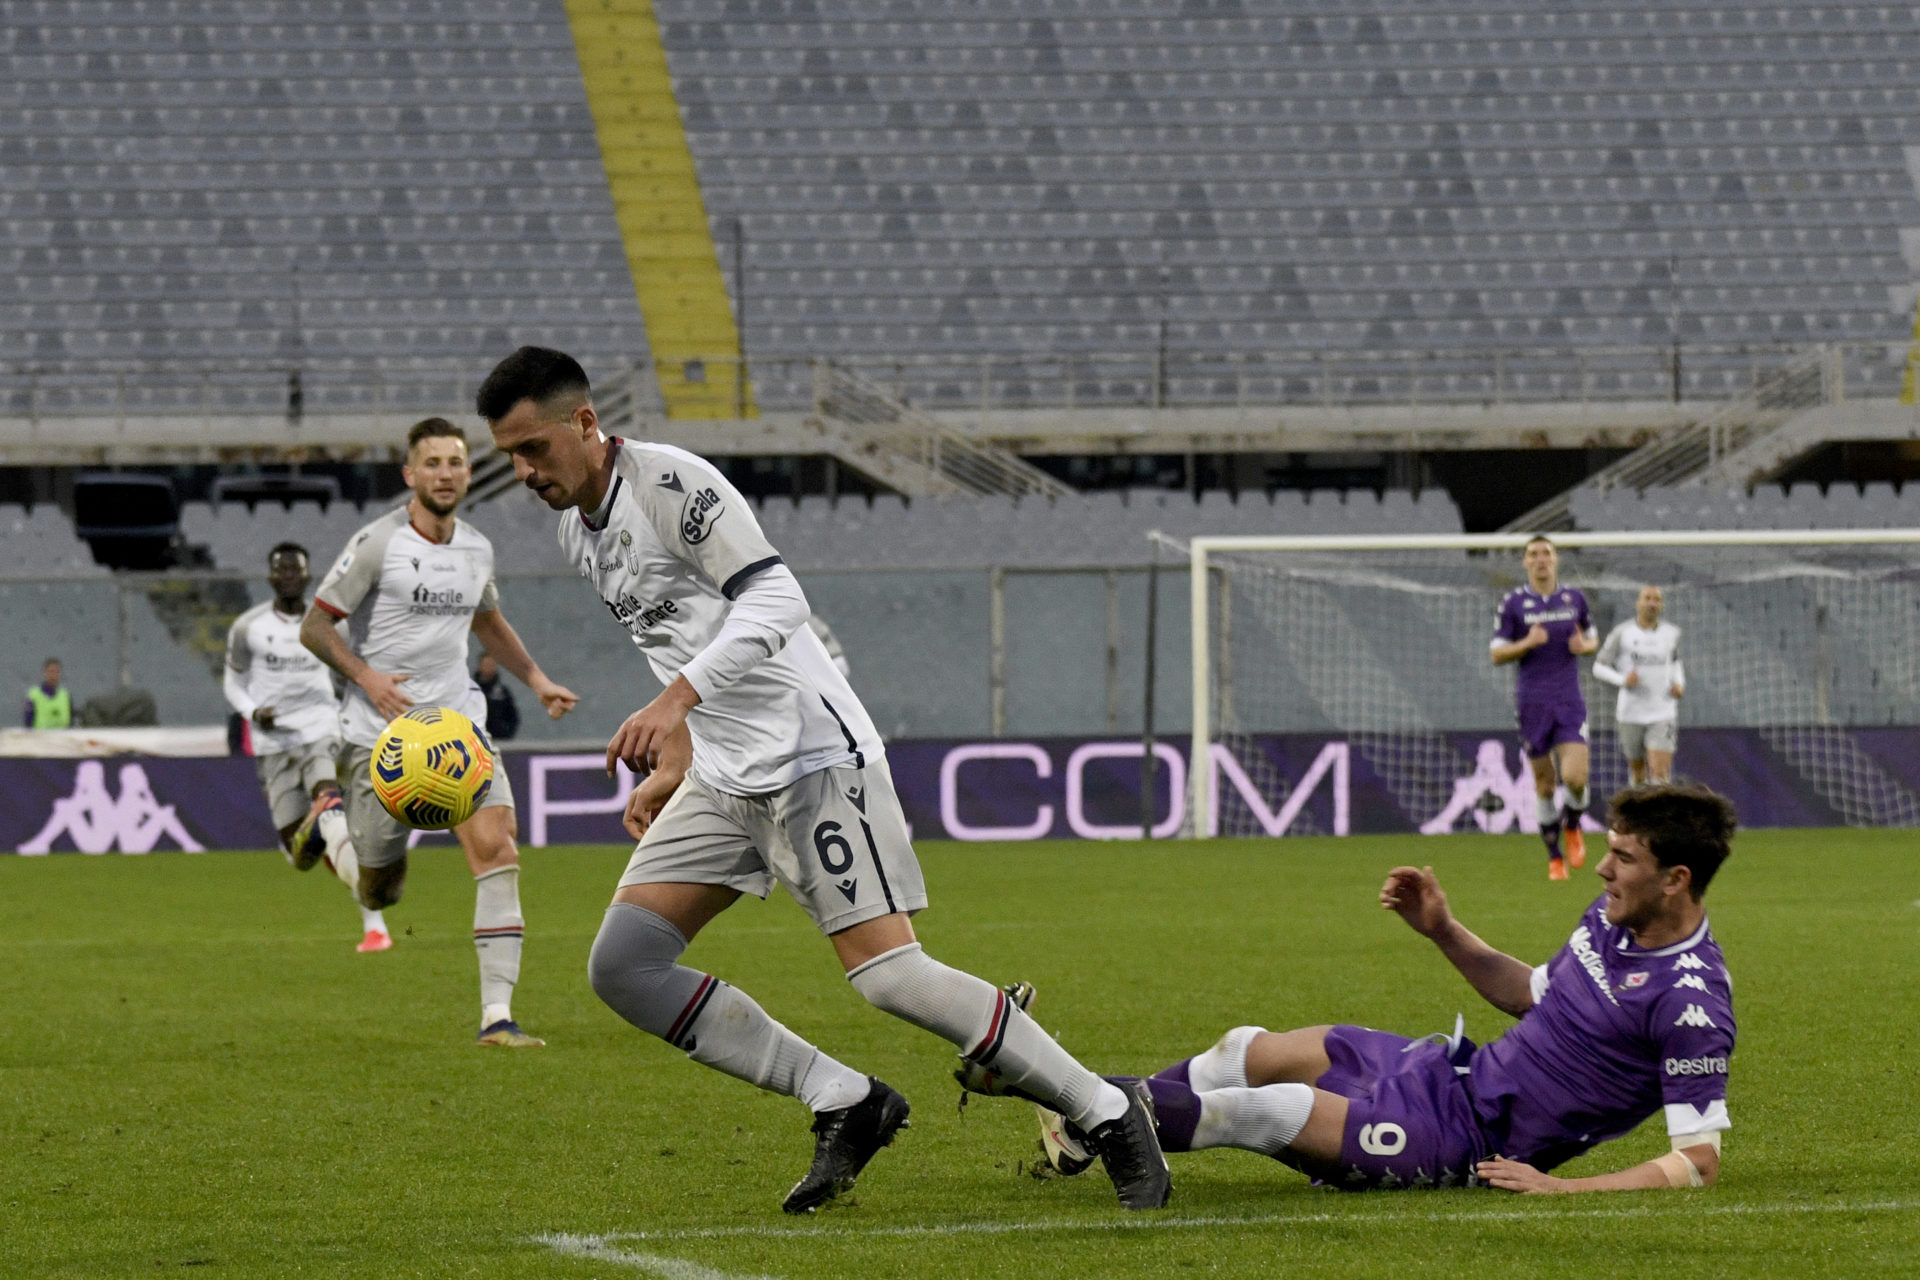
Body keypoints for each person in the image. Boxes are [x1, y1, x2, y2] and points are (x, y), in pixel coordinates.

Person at [480, 346, 1169, 1214]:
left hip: (812, 758)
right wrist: (680, 754)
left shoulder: (672, 488)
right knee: (624, 965)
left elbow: (777, 600)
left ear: (585, 423)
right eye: (509, 456)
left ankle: (1107, 1112)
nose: (523, 471)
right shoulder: (577, 531)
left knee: (888, 976)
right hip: (723, 777)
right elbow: (681, 637)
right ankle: (846, 1100)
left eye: (533, 448)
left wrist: (676, 700)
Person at [1014, 783, 1737, 1196]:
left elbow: (1697, 1162)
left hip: (1468, 1141)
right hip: (1445, 1074)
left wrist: (1562, 1188)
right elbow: (1529, 993)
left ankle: (1042, 1077)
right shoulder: (1611, 920)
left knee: (1271, 1109)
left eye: (1623, 858)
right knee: (1246, 1051)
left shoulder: (1692, 1003)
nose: (1603, 870)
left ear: (1676, 879)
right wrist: (1442, 930)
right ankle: (1072, 1114)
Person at [298, 416, 580, 1046]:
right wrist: (368, 678)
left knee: (497, 850)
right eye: (432, 463)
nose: (445, 474)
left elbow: (488, 621)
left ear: (469, 473)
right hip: (382, 739)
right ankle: (330, 829)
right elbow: (314, 627)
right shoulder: (377, 544)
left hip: (457, 731)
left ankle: (497, 1018)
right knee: (381, 889)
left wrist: (536, 679)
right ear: (410, 474)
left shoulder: (476, 548)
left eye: (455, 462)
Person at [224, 542, 392, 953]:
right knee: (300, 854)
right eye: (280, 569)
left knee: (329, 802)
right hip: (274, 744)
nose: (288, 576)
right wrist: (252, 711)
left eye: (295, 569)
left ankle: (375, 924)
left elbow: (354, 673)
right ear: (270, 577)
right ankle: (329, 830)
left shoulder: (329, 626)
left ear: (307, 575)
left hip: (322, 731)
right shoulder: (248, 627)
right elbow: (233, 683)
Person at [1491, 536, 1599, 879]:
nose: (1540, 559)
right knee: (1545, 785)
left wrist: (1584, 646)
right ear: (1525, 562)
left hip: (1568, 700)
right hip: (1532, 702)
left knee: (1576, 778)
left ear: (1556, 560)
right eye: (1533, 554)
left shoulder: (1574, 599)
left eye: (1546, 554)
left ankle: (1573, 824)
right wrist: (1527, 642)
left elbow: (1593, 639)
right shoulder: (1513, 603)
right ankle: (1554, 857)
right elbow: (1497, 653)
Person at [1594, 585, 1685, 784]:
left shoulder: (1672, 633)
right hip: (1630, 713)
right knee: (1638, 773)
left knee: (1660, 773)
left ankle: (1660, 805)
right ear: (1638, 603)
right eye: (1647, 598)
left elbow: (1675, 662)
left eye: (1657, 600)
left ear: (1661, 605)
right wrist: (1623, 680)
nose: (1652, 603)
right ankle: (1638, 802)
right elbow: (1598, 667)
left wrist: (1679, 683)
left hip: (1663, 712)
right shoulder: (1622, 632)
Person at [474, 654, 521, 741]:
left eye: (491, 665)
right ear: (480, 666)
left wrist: (506, 733)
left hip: (499, 740)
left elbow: (513, 716)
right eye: (486, 664)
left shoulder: (503, 693)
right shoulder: (470, 690)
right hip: (474, 740)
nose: (488, 668)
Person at [24, 657, 71, 729]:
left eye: (57, 672)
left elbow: (70, 724)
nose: (53, 675)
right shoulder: (34, 695)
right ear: (45, 673)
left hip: (62, 736)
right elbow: (28, 724)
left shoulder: (65, 696)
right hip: (40, 735)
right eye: (51, 671)